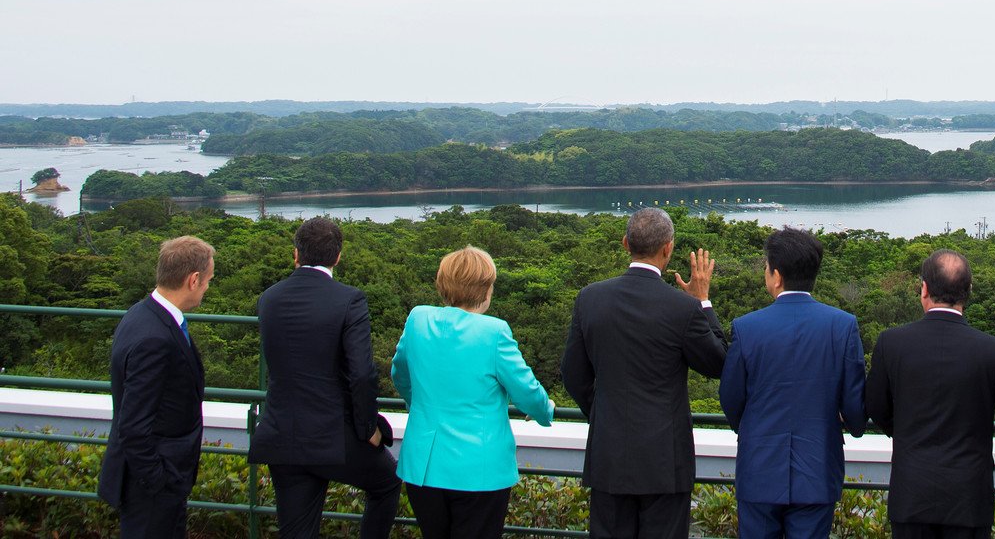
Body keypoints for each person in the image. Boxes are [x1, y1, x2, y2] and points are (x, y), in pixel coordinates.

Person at [562, 207, 728, 539]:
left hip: (609, 454)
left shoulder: (590, 298)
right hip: (665, 461)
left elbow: (573, 374)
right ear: (668, 248)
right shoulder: (682, 308)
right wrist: (703, 302)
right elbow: (719, 363)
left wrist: (603, 412)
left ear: (626, 244)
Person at [866, 249, 995, 539]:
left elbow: (875, 405)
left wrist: (905, 430)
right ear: (968, 291)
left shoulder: (891, 343)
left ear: (924, 289)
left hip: (911, 495)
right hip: (968, 500)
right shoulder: (994, 351)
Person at [248, 217, 401, 538]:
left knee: (296, 531)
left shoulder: (269, 299)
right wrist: (368, 428)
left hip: (282, 435)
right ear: (337, 257)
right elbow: (361, 374)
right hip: (333, 437)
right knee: (387, 484)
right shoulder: (349, 299)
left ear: (296, 254)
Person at [392, 245, 555, 539]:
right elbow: (528, 392)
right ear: (486, 289)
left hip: (423, 465)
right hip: (479, 471)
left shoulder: (417, 319)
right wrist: (545, 411)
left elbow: (400, 375)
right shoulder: (494, 332)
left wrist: (421, 405)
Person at [720, 228, 866, 539]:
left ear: (776, 275)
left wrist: (754, 427)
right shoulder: (842, 326)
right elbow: (855, 407)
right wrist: (849, 422)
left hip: (759, 469)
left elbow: (731, 400)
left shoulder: (747, 328)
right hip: (817, 470)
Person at [97, 235, 215, 539]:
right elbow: (134, 424)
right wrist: (160, 481)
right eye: (208, 280)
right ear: (193, 280)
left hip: (159, 479)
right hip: (152, 485)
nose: (207, 287)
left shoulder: (142, 313)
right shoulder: (154, 338)